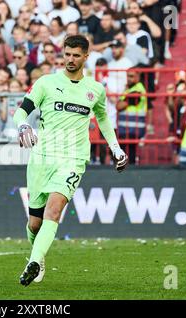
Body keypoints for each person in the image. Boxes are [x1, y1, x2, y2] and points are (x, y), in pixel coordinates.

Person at [13, 34, 128, 286]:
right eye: (67, 54)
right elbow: (21, 111)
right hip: (41, 159)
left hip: (73, 159)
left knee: (54, 210)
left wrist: (116, 149)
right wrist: (22, 126)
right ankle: (37, 256)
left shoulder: (95, 90)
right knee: (34, 224)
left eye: (76, 55)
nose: (70, 60)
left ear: (86, 56)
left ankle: (33, 261)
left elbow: (104, 120)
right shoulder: (46, 82)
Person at [116, 68, 147, 164]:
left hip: (133, 128)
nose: (129, 79)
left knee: (129, 157)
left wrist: (121, 101)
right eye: (128, 76)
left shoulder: (137, 91)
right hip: (127, 128)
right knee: (127, 156)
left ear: (138, 77)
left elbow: (119, 106)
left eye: (131, 76)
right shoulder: (130, 89)